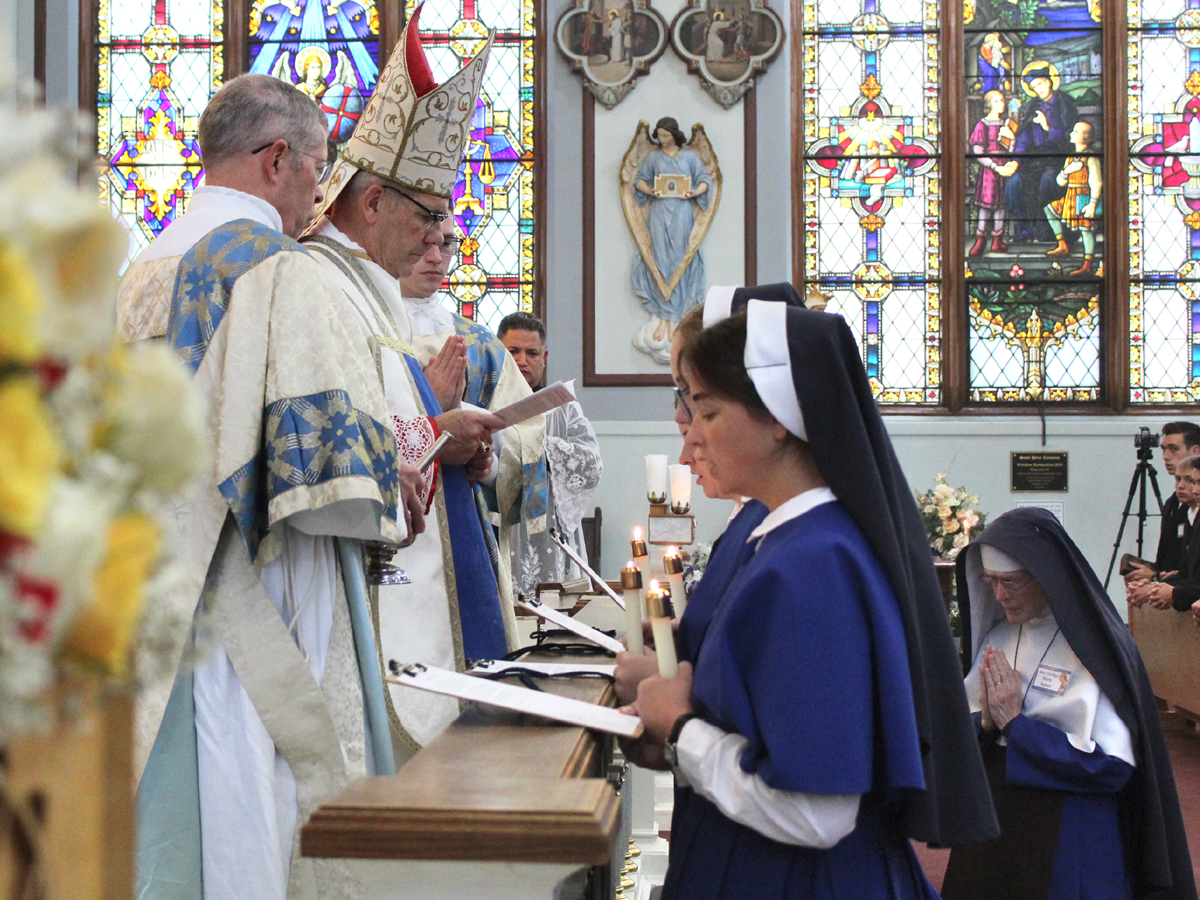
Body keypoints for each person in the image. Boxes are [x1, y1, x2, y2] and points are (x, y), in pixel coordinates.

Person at [122, 74, 421, 900]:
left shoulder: (137, 271)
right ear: (278, 157)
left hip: (155, 587)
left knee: (179, 804)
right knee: (258, 796)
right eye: (319, 169)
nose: (318, 196)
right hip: (261, 588)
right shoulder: (277, 268)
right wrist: (394, 481)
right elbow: (331, 476)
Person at [620, 304, 997, 899]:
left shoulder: (814, 565)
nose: (691, 436)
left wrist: (680, 728)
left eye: (710, 412)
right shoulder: (783, 543)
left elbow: (816, 813)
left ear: (778, 418)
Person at [301, 8, 515, 755]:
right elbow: (313, 448)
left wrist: (450, 438)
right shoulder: (316, 286)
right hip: (347, 593)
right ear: (370, 202)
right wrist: (433, 432)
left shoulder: (371, 286)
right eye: (426, 215)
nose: (437, 236)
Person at [942, 508, 1195, 900]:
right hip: (997, 828)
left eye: (1011, 583)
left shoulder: (1094, 649)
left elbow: (1113, 766)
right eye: (990, 582)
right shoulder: (998, 637)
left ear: (1046, 576)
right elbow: (962, 734)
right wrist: (987, 725)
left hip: (1068, 829)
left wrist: (1017, 726)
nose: (999, 596)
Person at [398, 219, 550, 628]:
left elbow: (529, 436)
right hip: (392, 530)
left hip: (465, 521)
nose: (437, 257)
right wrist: (430, 412)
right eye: (423, 241)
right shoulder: (367, 327)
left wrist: (487, 456)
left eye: (447, 243)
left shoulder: (481, 343)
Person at [497, 311, 603, 598]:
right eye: (513, 351)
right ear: (499, 354)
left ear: (544, 358)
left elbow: (592, 464)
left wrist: (542, 448)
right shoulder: (482, 406)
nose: (522, 361)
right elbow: (477, 455)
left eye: (532, 353)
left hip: (549, 533)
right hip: (501, 531)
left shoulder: (563, 409)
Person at [631, 117, 714, 346]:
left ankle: (675, 318)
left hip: (681, 212)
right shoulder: (654, 157)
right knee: (660, 259)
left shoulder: (689, 157)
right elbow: (638, 180)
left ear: (674, 134)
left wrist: (696, 192)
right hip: (658, 212)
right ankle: (663, 318)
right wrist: (651, 190)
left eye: (665, 135)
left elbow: (705, 179)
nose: (661, 139)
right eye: (658, 135)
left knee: (680, 259)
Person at [1005, 64, 1077, 243]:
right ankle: (1024, 230)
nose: (1037, 90)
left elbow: (1071, 135)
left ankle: (1050, 232)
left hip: (1058, 158)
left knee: (1048, 180)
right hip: (1033, 160)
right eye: (1034, 87)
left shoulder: (1064, 104)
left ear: (1048, 82)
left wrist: (1047, 127)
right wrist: (1016, 160)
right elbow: (1024, 137)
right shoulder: (1033, 106)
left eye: (1039, 84)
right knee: (1015, 182)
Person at [1124, 422, 1200, 591]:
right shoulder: (1172, 502)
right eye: (1164, 449)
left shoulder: (1195, 502)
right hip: (1172, 591)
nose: (1166, 456)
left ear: (1195, 452)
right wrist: (1154, 573)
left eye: (1173, 449)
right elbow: (1169, 556)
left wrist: (1156, 577)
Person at [1130, 455, 1200, 612]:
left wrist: (1170, 593)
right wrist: (1155, 587)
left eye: (1191, 481)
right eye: (1178, 479)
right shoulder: (1181, 511)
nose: (1192, 489)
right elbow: (1187, 573)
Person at [1044, 121, 1102, 275]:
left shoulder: (1091, 158)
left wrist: (1092, 204)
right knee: (1049, 210)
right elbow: (1060, 182)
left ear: (1086, 138)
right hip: (1070, 197)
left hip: (1083, 198)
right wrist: (1067, 171)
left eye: (1075, 132)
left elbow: (1096, 182)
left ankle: (1087, 265)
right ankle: (1062, 245)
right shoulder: (1070, 158)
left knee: (1086, 230)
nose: (1071, 134)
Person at [968, 90, 1017, 257]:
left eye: (1002, 100)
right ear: (989, 105)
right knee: (986, 205)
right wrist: (995, 166)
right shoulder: (982, 125)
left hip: (1004, 167)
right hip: (990, 169)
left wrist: (1012, 140)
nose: (1001, 104)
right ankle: (980, 240)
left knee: (1001, 205)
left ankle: (997, 240)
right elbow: (978, 151)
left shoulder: (1006, 125)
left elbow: (1011, 150)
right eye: (997, 101)